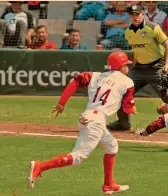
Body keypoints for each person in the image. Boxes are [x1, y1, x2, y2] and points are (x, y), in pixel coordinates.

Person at [27, 51, 136, 195]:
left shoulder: (95, 75)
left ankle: (109, 184)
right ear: (122, 66)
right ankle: (40, 166)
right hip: (96, 122)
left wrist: (61, 103)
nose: (128, 68)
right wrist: (132, 108)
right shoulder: (128, 82)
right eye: (126, 65)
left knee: (112, 146)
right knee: (77, 157)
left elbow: (76, 81)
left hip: (88, 117)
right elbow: (127, 108)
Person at [107, 4, 168, 131]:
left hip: (156, 68)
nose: (135, 17)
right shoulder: (128, 32)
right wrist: (134, 63)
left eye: (137, 14)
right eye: (132, 15)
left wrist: (167, 64)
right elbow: (137, 49)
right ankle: (123, 124)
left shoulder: (153, 27)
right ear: (129, 16)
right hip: (139, 69)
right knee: (122, 93)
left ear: (142, 14)